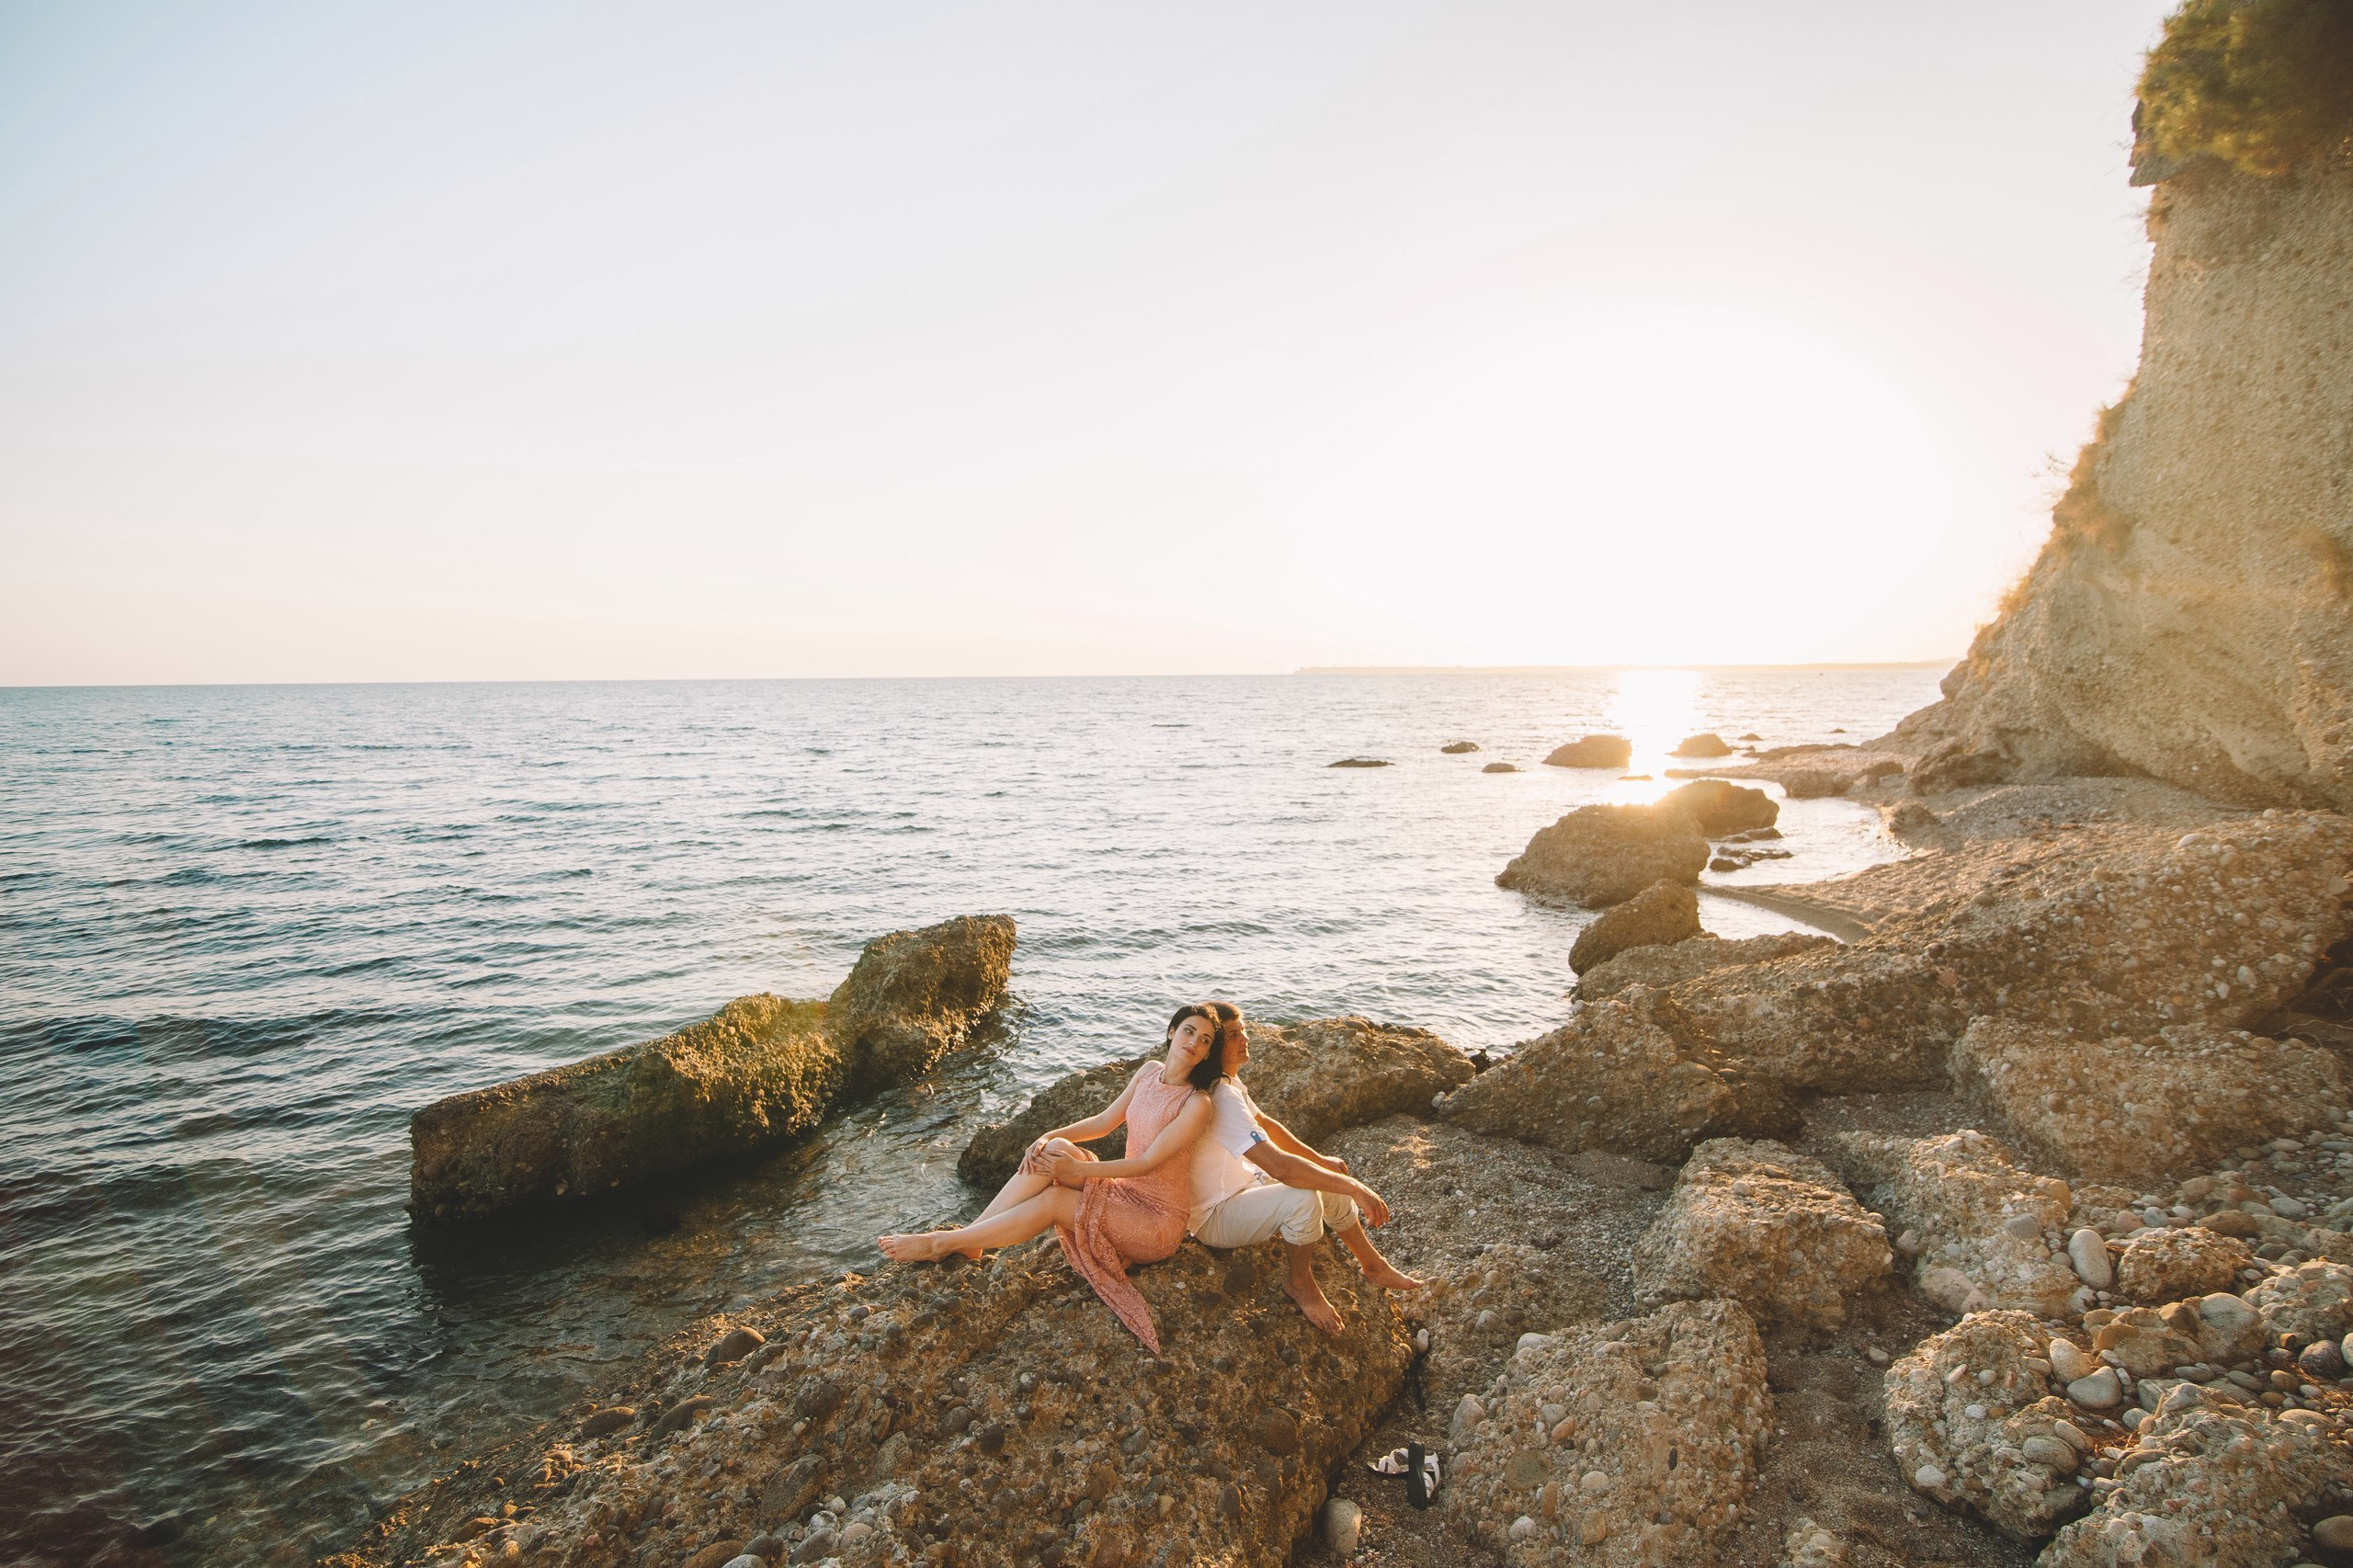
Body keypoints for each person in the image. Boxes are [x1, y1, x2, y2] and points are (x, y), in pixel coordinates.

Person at [878, 1004, 1221, 1351]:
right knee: (1056, 1147)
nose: (1194, 1042)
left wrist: (1077, 1171)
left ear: (1207, 1053)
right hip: (1124, 1194)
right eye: (1189, 1030)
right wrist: (1044, 1137)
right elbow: (1104, 1122)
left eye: (1205, 1040)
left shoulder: (1196, 1104)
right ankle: (972, 1238)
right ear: (1171, 1031)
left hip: (1156, 1222)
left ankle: (943, 1243)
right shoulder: (1149, 1072)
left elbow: (1147, 1163)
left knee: (1056, 1199)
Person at [1187, 1001, 1424, 1333]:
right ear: (1213, 1049)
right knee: (1303, 1198)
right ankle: (1299, 1282)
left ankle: (1372, 1264)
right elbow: (1281, 1167)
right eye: (1233, 1035)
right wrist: (1355, 1188)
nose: (1244, 1038)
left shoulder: (1229, 1084)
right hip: (1214, 1216)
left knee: (1326, 1177)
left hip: (1243, 1188)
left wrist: (1320, 1161)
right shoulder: (1221, 1098)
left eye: (1244, 1030)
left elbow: (1267, 1124)